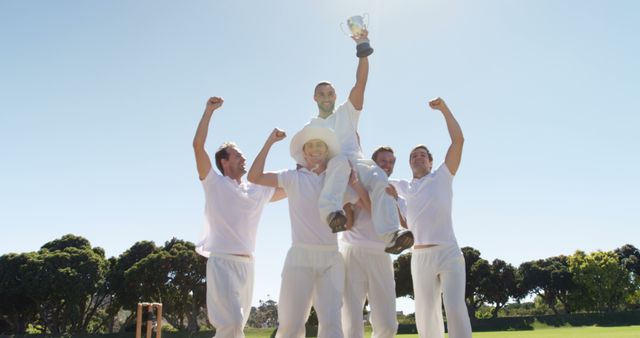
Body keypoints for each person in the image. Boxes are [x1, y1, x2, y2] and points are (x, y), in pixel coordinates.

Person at [248, 125, 369, 338]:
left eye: (320, 145)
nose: (315, 149)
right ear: (304, 152)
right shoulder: (292, 177)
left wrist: (356, 183)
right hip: (299, 257)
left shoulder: (338, 182)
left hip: (331, 257)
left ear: (327, 151)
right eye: (310, 145)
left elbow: (368, 207)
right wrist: (269, 142)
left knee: (332, 324)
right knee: (291, 325)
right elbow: (254, 176)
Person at [303, 29, 413, 254]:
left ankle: (392, 234)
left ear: (335, 96)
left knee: (379, 177)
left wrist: (362, 48)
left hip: (358, 162)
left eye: (330, 93)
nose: (326, 97)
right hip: (334, 170)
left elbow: (360, 83)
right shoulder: (311, 127)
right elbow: (306, 157)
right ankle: (332, 214)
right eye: (321, 94)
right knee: (340, 162)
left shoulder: (346, 112)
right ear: (315, 98)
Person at [192, 97, 286, 338]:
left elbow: (294, 187)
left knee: (236, 329)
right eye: (238, 156)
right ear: (224, 162)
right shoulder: (214, 183)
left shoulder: (257, 191)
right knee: (231, 324)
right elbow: (197, 146)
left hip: (248, 265)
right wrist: (208, 112)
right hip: (222, 262)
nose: (243, 158)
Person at [391, 97, 472, 338]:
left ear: (431, 161)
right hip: (420, 255)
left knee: (455, 307)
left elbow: (459, 140)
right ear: (409, 163)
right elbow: (406, 223)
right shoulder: (403, 187)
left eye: (422, 155)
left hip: (448, 252)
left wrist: (444, 109)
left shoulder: (442, 176)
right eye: (413, 156)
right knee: (425, 312)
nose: (418, 158)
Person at [340, 146, 407, 338]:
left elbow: (405, 225)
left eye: (391, 162)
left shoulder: (394, 194)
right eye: (383, 161)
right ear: (373, 164)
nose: (387, 165)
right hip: (353, 251)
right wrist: (355, 191)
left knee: (387, 324)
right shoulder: (355, 183)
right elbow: (350, 222)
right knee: (351, 324)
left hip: (382, 255)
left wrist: (395, 199)